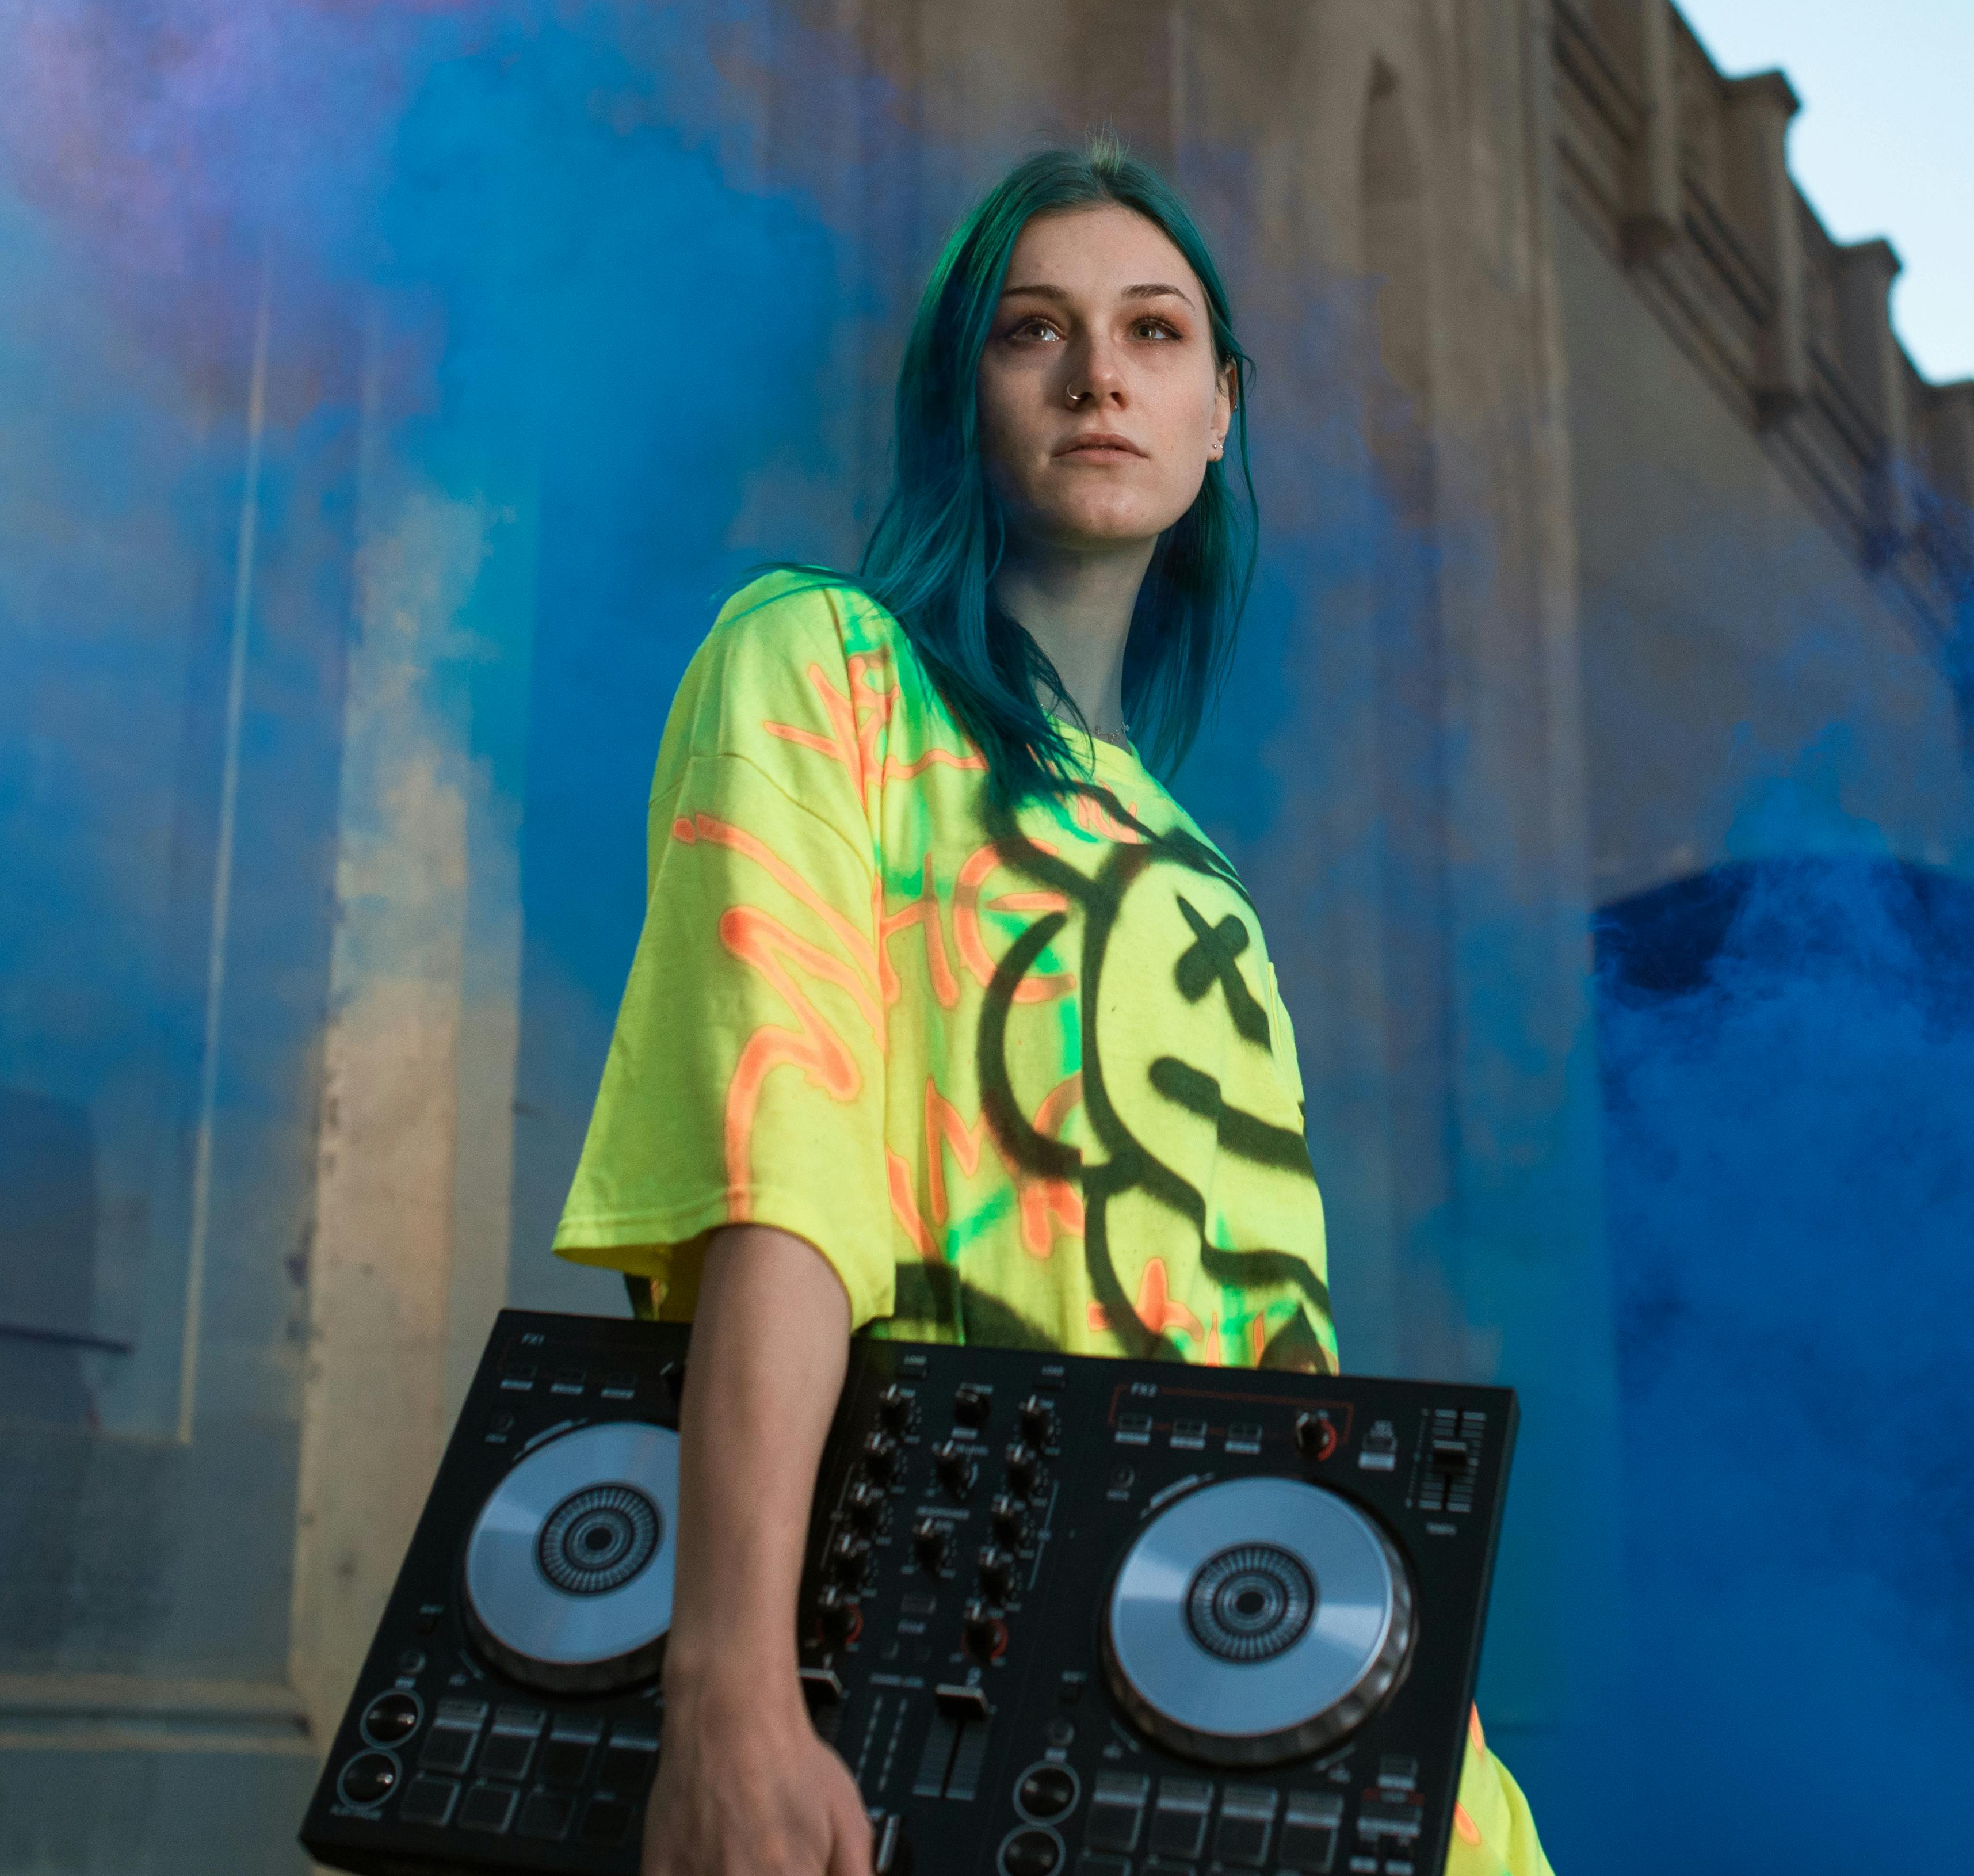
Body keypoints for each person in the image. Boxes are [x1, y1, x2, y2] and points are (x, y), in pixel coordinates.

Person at [553, 143, 1555, 1876]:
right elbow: (777, 1185)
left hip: (1279, 1685)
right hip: (953, 1696)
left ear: (1221, 409)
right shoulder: (821, 664)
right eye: (1038, 330)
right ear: (967, 389)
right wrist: (730, 1700)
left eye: (1155, 332)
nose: (1101, 374)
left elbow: (1273, 1350)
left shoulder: (1199, 865)